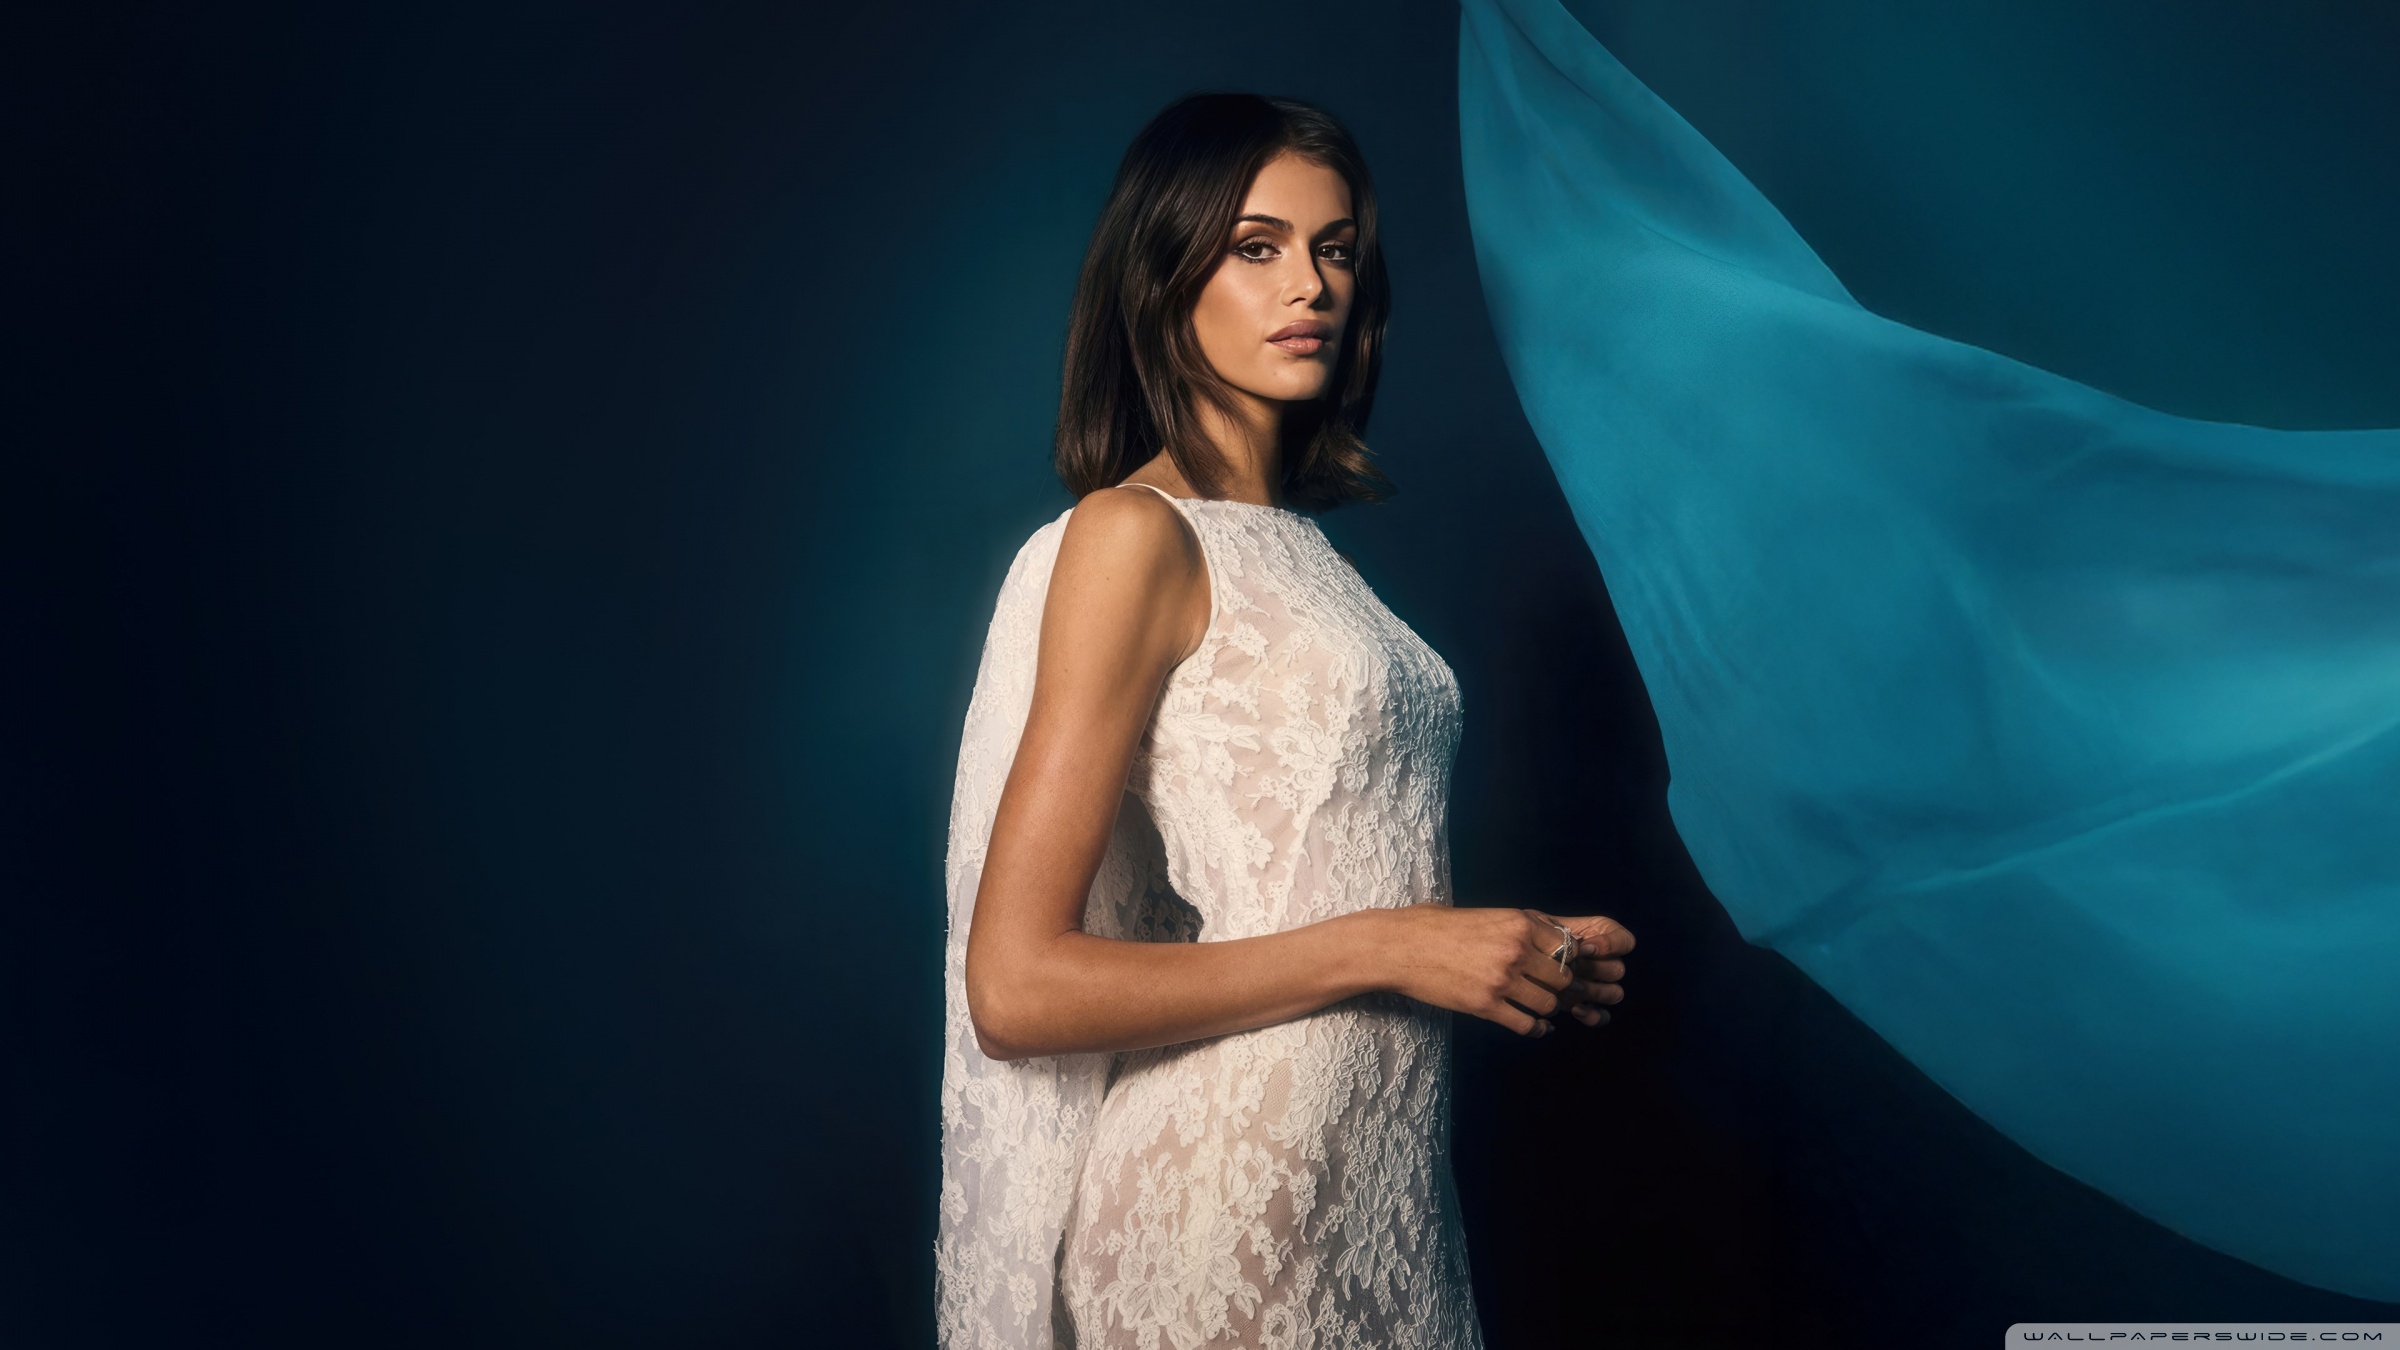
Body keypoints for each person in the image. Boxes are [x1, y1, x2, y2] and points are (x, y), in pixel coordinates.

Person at [936, 92, 1636, 1349]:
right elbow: (1016, 985)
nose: (1309, 285)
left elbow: (1335, 851)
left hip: (1375, 1200)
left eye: (1335, 248)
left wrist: (1506, 950)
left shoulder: (1300, 553)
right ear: (1164, 274)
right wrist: (1395, 946)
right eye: (1255, 247)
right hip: (1221, 1208)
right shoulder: (1132, 535)